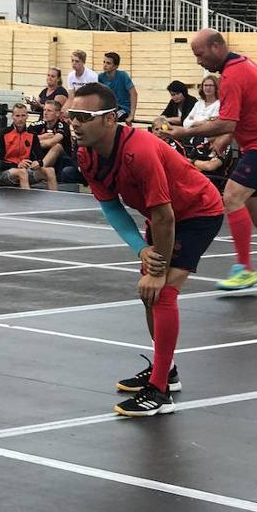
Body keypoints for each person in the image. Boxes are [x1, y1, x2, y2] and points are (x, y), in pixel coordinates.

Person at [70, 83, 225, 417]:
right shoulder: (85, 153)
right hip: (162, 217)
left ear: (110, 119)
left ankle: (160, 391)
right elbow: (112, 208)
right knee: (148, 294)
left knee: (163, 292)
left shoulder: (139, 150)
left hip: (197, 213)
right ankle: (164, 369)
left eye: (84, 116)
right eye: (72, 115)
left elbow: (165, 216)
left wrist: (157, 272)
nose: (75, 123)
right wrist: (141, 250)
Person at [168, 29, 257, 289]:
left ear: (217, 47)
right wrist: (225, 135)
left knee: (231, 197)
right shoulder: (243, 63)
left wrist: (186, 131)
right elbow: (239, 116)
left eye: (199, 55)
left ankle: (244, 269)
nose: (198, 61)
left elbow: (227, 121)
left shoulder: (232, 76)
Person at [0, 104, 40, 188]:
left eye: (23, 115)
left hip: (25, 170)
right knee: (22, 172)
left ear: (27, 116)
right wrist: (17, 165)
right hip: (3, 173)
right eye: (17, 116)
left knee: (49, 171)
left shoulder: (32, 135)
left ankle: (55, 200)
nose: (20, 119)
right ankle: (26, 201)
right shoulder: (2, 134)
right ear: (12, 116)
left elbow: (40, 157)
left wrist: (38, 162)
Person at [33, 100, 74, 180]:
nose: (45, 113)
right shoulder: (38, 124)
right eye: (44, 110)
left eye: (49, 110)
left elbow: (51, 142)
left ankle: (39, 172)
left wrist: (35, 141)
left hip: (65, 158)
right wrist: (42, 137)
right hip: (43, 155)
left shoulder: (63, 125)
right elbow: (25, 139)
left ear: (57, 113)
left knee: (57, 146)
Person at [98, 52, 138, 124]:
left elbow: (134, 94)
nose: (105, 65)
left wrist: (132, 115)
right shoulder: (100, 77)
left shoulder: (123, 76)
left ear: (116, 66)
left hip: (123, 108)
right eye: (104, 62)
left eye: (108, 63)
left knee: (111, 118)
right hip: (109, 108)